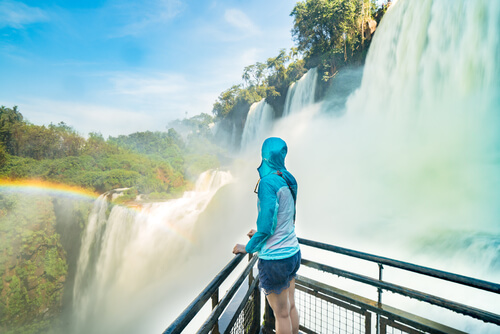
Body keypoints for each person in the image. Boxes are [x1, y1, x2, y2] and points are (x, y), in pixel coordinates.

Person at [233, 137, 300, 334]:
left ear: (265, 156)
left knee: (281, 315)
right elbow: (287, 219)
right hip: (293, 253)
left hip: (276, 260)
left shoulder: (267, 183)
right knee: (290, 307)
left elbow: (265, 226)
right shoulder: (288, 180)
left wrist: (248, 247)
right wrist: (262, 235)